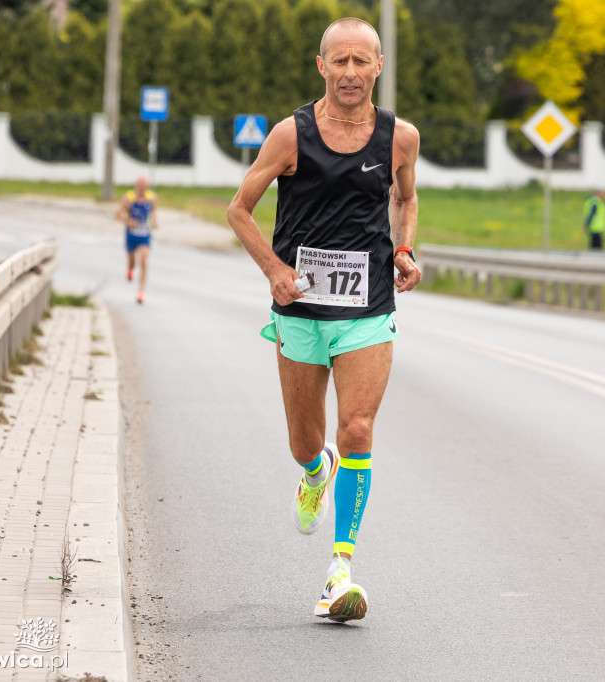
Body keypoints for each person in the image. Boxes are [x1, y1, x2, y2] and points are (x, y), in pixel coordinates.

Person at [226, 17, 421, 623]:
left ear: (378, 68)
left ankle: (340, 572)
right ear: (322, 67)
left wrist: (406, 249)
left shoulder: (399, 138)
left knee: (356, 429)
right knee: (305, 443)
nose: (350, 73)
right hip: (301, 310)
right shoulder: (290, 135)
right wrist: (274, 271)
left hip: (367, 308)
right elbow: (239, 210)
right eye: (340, 61)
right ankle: (316, 471)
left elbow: (405, 198)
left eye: (362, 61)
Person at [116, 176, 158, 303]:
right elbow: (117, 215)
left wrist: (154, 222)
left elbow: (153, 213)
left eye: (144, 186)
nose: (141, 188)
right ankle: (129, 270)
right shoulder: (129, 198)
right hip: (131, 235)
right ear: (136, 186)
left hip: (144, 235)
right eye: (139, 186)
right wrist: (128, 222)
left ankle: (141, 292)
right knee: (132, 262)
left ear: (147, 187)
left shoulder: (152, 198)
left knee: (144, 261)